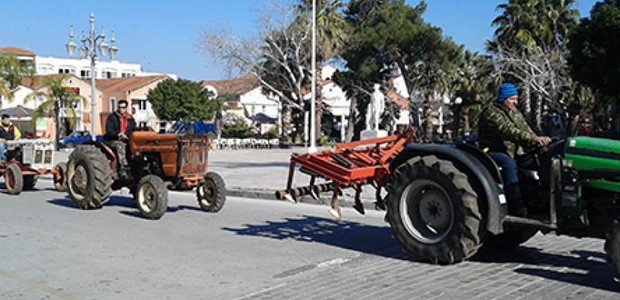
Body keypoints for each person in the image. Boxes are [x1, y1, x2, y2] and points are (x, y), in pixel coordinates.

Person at [478, 83, 551, 216]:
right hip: (492, 151)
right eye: (512, 99)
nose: (515, 102)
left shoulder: (514, 112)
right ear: (503, 98)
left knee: (539, 159)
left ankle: (542, 197)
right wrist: (532, 139)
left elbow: (525, 128)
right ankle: (515, 203)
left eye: (516, 99)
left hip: (514, 151)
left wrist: (538, 141)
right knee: (508, 164)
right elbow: (508, 131)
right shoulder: (491, 113)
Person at [104, 99, 136, 178]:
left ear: (126, 108)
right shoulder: (112, 117)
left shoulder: (130, 119)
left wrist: (127, 135)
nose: (121, 109)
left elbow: (133, 130)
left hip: (126, 139)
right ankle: (124, 170)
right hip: (112, 140)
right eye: (120, 107)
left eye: (123, 107)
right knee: (120, 145)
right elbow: (109, 131)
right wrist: (118, 135)